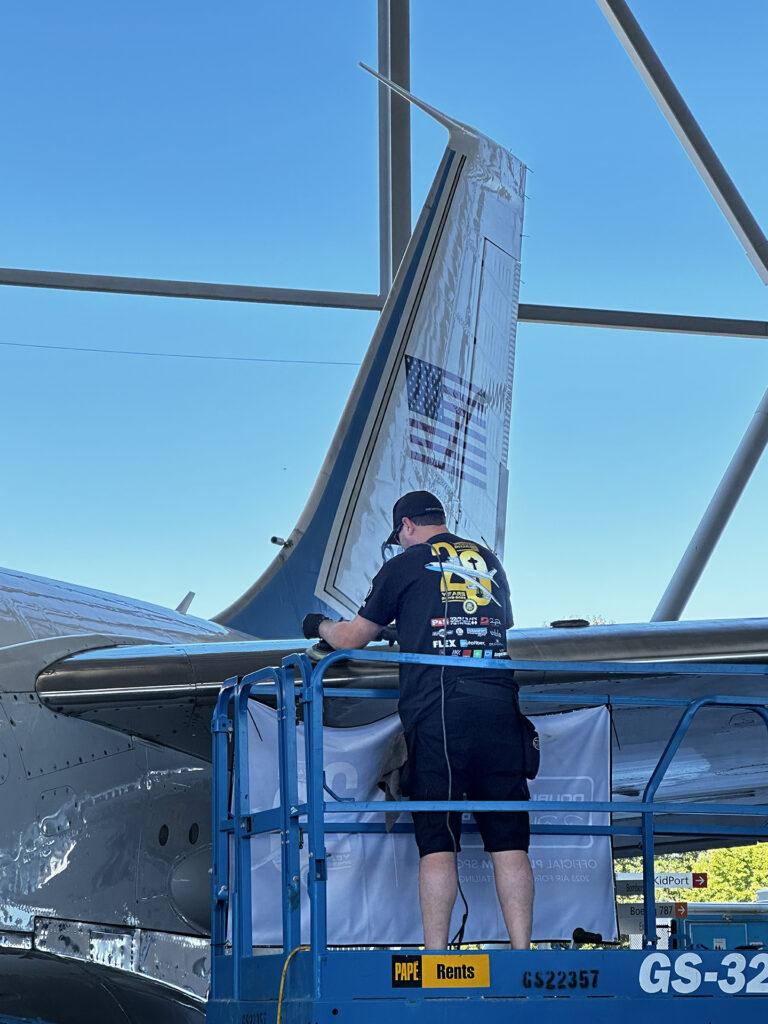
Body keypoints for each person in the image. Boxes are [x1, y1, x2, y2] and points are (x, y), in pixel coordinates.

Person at [302, 490, 533, 950]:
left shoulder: (405, 564)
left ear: (406, 527)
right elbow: (487, 623)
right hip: (500, 705)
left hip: (440, 710)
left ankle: (436, 959)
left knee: (437, 845)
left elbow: (351, 639)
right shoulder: (488, 561)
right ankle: (523, 954)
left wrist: (316, 625)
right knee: (510, 845)